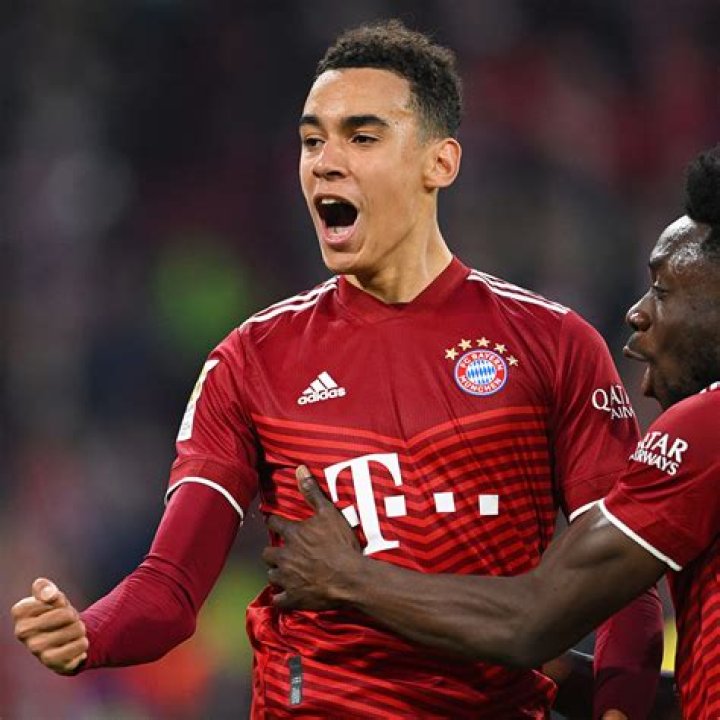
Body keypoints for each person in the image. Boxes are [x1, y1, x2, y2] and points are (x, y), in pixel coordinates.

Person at [11, 19, 662, 719]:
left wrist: (618, 711)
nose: (324, 162)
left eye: (361, 137)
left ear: (439, 163)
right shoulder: (252, 360)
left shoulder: (553, 345)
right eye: (311, 140)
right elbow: (169, 589)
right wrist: (90, 632)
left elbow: (624, 587)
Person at [261, 145, 720, 719]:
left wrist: (349, 577)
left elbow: (531, 620)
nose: (638, 312)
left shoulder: (706, 425)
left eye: (663, 289)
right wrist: (550, 673)